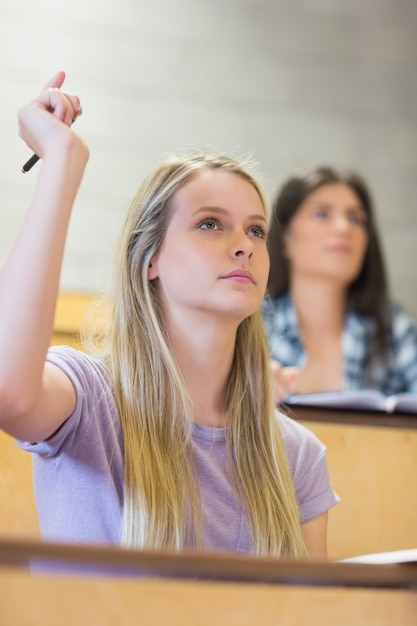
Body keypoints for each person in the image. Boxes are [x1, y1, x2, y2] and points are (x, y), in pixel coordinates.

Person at [0, 72, 338, 560]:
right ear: (151, 259)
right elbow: (9, 392)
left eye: (257, 231)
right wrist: (62, 164)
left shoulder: (296, 454)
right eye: (209, 224)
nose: (244, 244)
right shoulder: (89, 400)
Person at [262, 165, 417, 402]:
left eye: (355, 218)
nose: (344, 228)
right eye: (322, 214)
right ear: (285, 239)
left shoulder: (392, 327)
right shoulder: (252, 324)